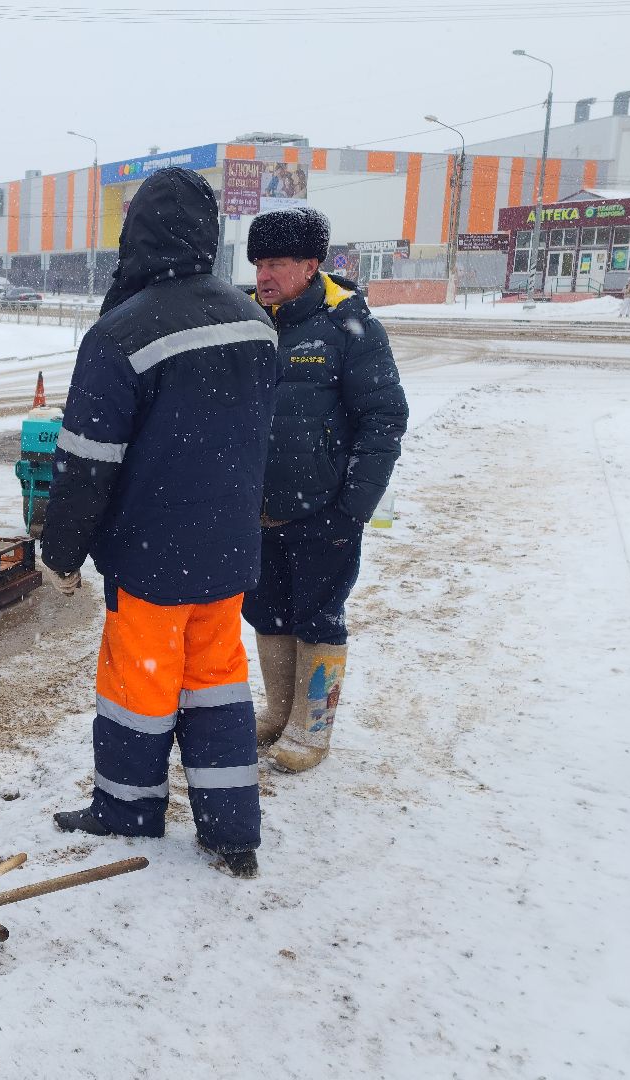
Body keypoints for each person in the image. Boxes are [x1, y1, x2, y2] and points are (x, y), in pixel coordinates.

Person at [41, 167, 280, 879]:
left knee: (138, 688)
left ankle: (127, 807)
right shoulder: (253, 320)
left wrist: (61, 551)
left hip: (152, 556)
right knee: (216, 683)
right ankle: (232, 830)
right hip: (228, 550)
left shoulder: (120, 333)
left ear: (133, 236)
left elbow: (86, 464)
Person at [244, 206, 409, 775]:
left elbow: (384, 418)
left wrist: (354, 507)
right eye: (260, 262)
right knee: (265, 611)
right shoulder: (247, 322)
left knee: (317, 614)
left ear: (311, 265)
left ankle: (311, 728)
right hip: (258, 509)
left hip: (324, 508)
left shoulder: (347, 325)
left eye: (279, 262)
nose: (265, 274)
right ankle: (280, 711)